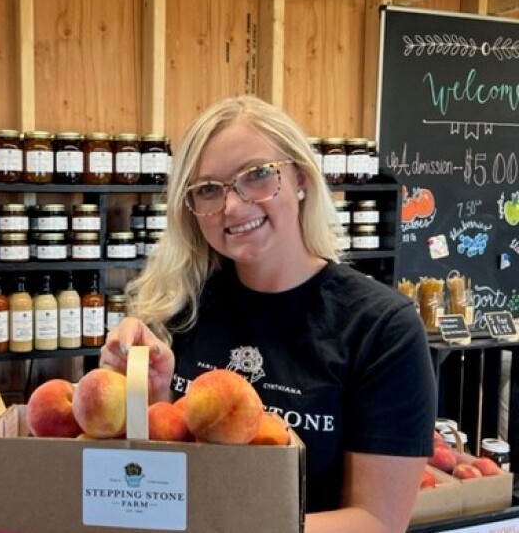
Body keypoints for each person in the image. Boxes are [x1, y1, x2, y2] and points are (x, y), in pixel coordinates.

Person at [101, 95, 436, 532]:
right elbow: (157, 480)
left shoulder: (382, 328)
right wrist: (146, 396)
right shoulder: (179, 303)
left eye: (257, 175)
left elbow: (376, 522)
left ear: (300, 178)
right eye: (208, 189)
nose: (233, 206)